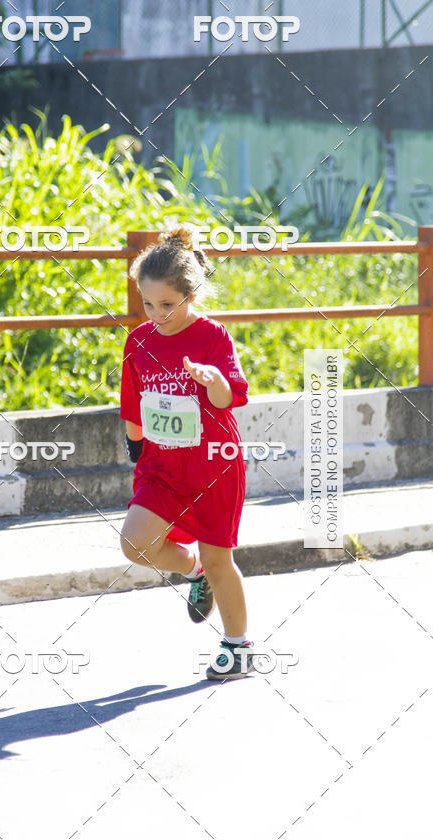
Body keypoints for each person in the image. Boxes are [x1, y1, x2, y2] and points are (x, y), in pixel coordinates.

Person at [119, 224, 254, 680]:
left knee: (221, 559)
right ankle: (193, 572)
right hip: (162, 466)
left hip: (213, 465)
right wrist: (136, 449)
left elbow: (228, 397)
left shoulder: (212, 337)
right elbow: (133, 410)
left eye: (167, 305)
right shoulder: (138, 343)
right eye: (149, 304)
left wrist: (212, 380)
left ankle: (238, 645)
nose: (157, 314)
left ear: (190, 294)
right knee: (135, 544)